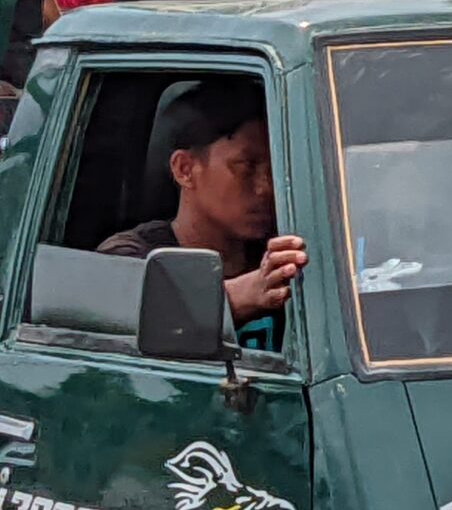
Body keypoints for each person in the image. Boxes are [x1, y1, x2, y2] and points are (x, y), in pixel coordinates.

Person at [97, 81, 305, 350]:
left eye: (273, 167)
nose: (266, 187)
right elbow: (130, 323)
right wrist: (242, 296)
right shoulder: (132, 256)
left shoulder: (283, 251)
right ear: (185, 169)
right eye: (246, 166)